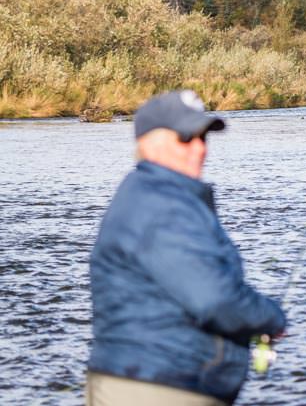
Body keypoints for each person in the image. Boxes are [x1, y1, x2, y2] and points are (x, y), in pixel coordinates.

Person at [87, 90, 286, 406]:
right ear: (149, 143)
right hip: (156, 388)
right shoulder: (160, 205)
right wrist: (270, 318)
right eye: (186, 138)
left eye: (203, 137)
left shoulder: (159, 196)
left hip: (160, 382)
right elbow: (215, 299)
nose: (199, 148)